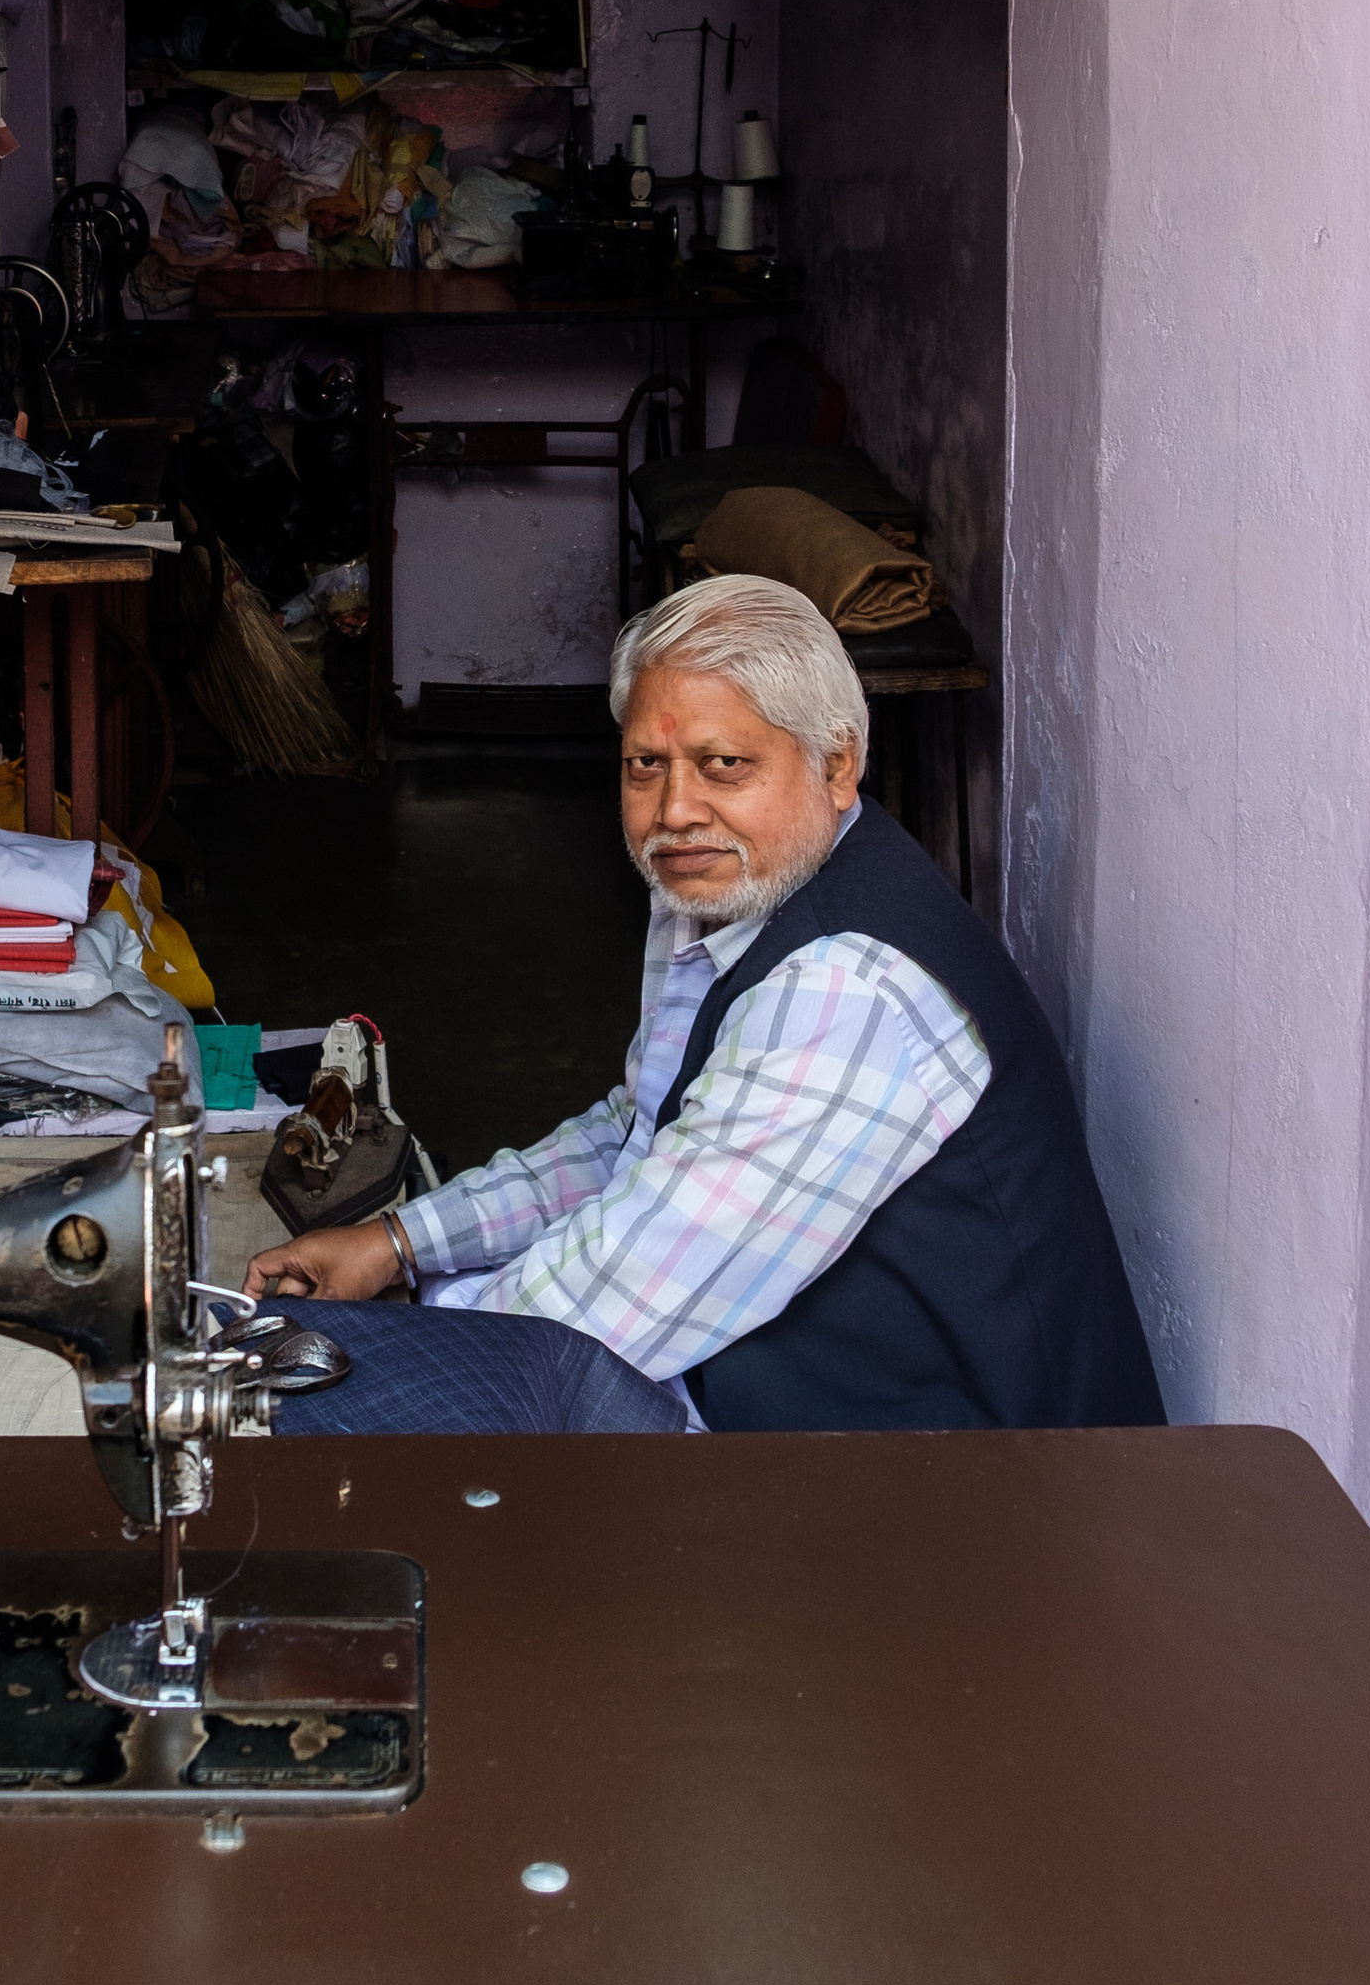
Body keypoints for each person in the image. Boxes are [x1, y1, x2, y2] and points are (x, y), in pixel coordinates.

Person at [246, 573, 1164, 1438]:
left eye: (724, 764)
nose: (675, 810)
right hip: (792, 1409)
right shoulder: (721, 883)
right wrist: (399, 1242)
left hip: (961, 1507)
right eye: (647, 764)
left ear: (838, 765)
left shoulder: (848, 987)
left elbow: (586, 1321)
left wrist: (336, 1370)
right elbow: (646, 1130)